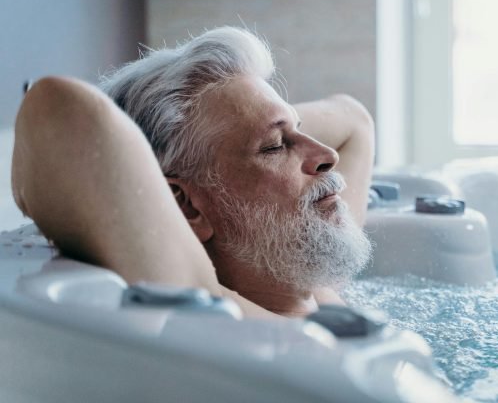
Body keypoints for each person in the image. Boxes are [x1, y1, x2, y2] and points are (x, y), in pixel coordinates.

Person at [11, 27, 375, 319]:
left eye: (299, 129)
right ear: (186, 206)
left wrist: (256, 120)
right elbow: (57, 109)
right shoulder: (210, 307)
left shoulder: (315, 277)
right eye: (274, 147)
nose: (327, 155)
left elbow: (355, 121)